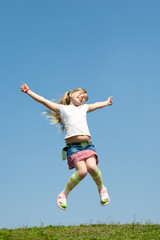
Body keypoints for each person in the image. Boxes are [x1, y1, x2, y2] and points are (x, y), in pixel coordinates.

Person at [21, 83, 113, 210]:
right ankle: (63, 194)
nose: (82, 97)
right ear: (70, 94)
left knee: (92, 167)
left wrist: (106, 102)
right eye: (80, 94)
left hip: (88, 145)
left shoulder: (84, 108)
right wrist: (29, 91)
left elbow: (95, 105)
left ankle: (102, 189)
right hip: (73, 147)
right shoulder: (62, 109)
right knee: (82, 172)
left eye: (84, 97)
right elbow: (43, 100)